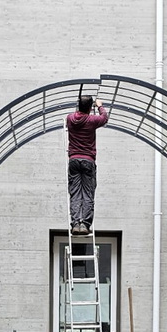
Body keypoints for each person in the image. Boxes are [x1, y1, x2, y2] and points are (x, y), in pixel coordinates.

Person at [66, 95, 108, 235]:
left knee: (75, 192)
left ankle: (76, 223)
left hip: (73, 160)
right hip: (88, 160)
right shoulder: (92, 120)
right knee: (88, 193)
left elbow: (77, 116)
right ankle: (85, 224)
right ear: (90, 108)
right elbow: (104, 118)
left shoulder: (69, 118)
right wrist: (100, 105)